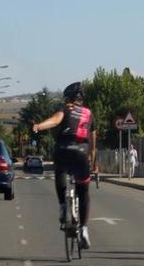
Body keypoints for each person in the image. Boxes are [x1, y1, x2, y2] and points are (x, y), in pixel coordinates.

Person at [33, 82, 98, 249]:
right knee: (83, 191)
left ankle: (63, 206)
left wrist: (39, 126)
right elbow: (92, 143)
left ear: (68, 97)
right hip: (81, 153)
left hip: (63, 149)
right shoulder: (89, 114)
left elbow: (55, 121)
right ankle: (83, 229)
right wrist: (93, 162)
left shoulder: (66, 109)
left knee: (60, 171)